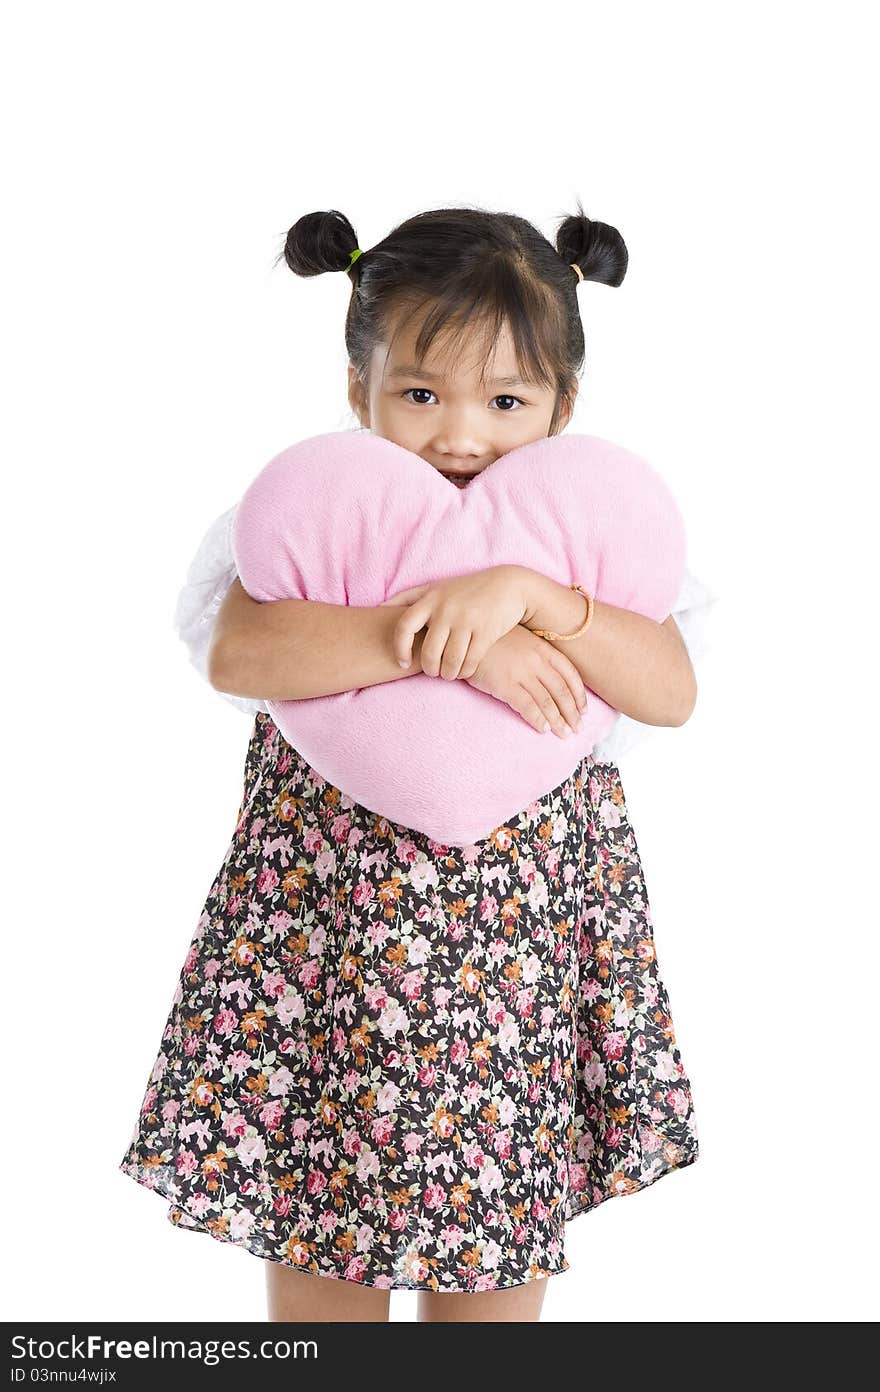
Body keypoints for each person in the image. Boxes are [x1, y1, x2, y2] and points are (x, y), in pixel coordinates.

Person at [119, 204, 716, 1324]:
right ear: (360, 391)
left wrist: (531, 601)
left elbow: (669, 691)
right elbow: (244, 650)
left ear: (561, 407)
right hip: (326, 940)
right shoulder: (314, 516)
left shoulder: (590, 530)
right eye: (420, 394)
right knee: (319, 1223)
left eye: (506, 401)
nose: (460, 433)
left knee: (492, 1257)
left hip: (509, 972)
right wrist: (456, 641)